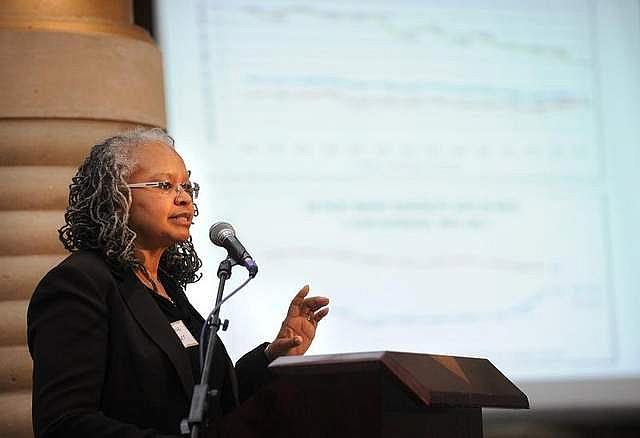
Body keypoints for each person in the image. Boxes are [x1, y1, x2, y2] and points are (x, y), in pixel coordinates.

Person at [27, 128, 329, 437]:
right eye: (165, 185)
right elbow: (63, 424)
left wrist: (270, 359)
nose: (184, 198)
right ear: (116, 195)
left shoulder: (167, 288)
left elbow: (206, 403)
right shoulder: (78, 284)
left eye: (187, 186)